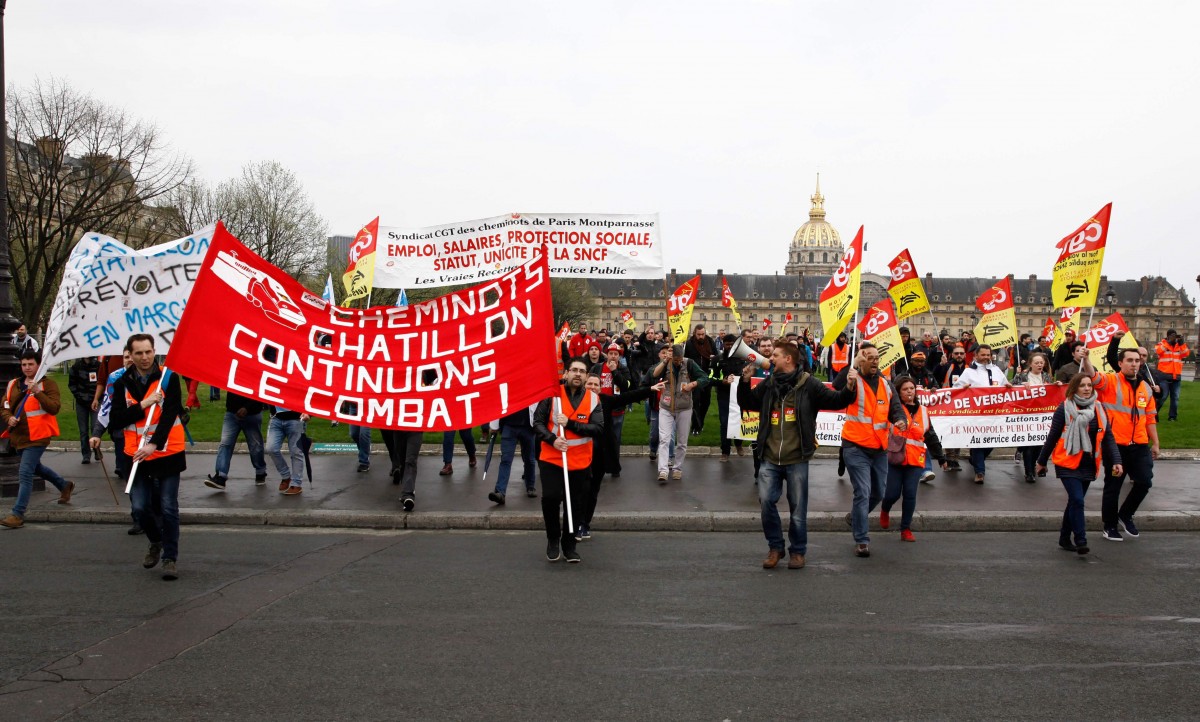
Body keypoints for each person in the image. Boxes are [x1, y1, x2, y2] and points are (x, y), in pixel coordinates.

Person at [738, 340, 857, 569]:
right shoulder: (770, 383)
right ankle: (775, 548)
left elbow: (836, 401)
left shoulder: (809, 384)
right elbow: (748, 402)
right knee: (766, 503)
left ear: (788, 359)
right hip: (769, 457)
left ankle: (798, 551)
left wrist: (850, 387)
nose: (770, 358)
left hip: (797, 458)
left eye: (775, 355)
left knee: (798, 510)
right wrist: (744, 381)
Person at [108, 334, 186, 580]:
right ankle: (156, 541)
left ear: (154, 351)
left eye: (148, 351)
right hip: (136, 456)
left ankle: (170, 558)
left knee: (168, 507)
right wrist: (143, 404)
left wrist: (154, 444)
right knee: (140, 508)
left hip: (167, 452)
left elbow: (170, 414)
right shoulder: (122, 383)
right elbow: (116, 420)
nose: (144, 357)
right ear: (130, 355)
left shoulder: (168, 378)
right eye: (139, 353)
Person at [834, 343, 907, 558]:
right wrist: (853, 365)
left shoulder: (886, 384)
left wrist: (900, 419)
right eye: (870, 357)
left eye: (877, 357)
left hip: (879, 449)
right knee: (863, 493)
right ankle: (862, 540)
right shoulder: (852, 379)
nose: (875, 361)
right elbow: (837, 388)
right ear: (861, 360)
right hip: (855, 447)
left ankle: (855, 518)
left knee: (879, 493)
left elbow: (895, 408)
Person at [1036, 373, 1122, 556]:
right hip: (1067, 462)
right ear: (1074, 388)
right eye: (1082, 385)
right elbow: (1053, 436)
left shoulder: (1099, 408)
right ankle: (1081, 540)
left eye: (1089, 385)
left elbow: (1107, 436)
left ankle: (1064, 537)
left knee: (1074, 502)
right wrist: (1041, 461)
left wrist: (1116, 460)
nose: (1087, 389)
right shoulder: (1065, 408)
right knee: (1077, 500)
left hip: (1088, 464)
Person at [1085, 341, 1159, 542]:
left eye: (1137, 360)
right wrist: (1086, 359)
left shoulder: (1146, 387)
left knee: (1144, 481)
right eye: (1130, 360)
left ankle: (1125, 515)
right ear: (1120, 363)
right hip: (1115, 445)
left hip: (1140, 444)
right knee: (1114, 486)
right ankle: (1109, 526)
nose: (1134, 364)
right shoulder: (1110, 381)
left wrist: (1156, 443)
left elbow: (1150, 417)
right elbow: (1093, 376)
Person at [533, 357, 603, 563]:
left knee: (575, 504)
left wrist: (570, 424)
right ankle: (553, 539)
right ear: (566, 373)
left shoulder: (593, 399)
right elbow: (537, 422)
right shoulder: (551, 395)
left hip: (580, 461)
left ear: (586, 376)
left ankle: (569, 544)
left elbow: (597, 428)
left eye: (582, 371)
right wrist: (552, 439)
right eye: (574, 370)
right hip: (552, 457)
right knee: (551, 498)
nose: (578, 374)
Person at [578, 373, 662, 539]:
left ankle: (585, 524)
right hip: (580, 453)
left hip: (600, 455)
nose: (592, 387)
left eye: (596, 385)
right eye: (589, 384)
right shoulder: (577, 401)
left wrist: (650, 389)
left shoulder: (605, 401)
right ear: (584, 385)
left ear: (600, 388)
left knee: (593, 491)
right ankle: (577, 523)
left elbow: (628, 396)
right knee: (581, 490)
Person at [1, 351, 73, 529]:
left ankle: (17, 514)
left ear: (39, 365)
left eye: (30, 364)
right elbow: (4, 406)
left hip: (38, 436)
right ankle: (64, 485)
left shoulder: (48, 384)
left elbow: (54, 408)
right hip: (19, 437)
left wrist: (38, 392)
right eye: (24, 364)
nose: (27, 368)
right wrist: (9, 418)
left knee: (25, 473)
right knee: (36, 468)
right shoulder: (13, 384)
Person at [879, 375, 947, 543]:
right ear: (898, 392)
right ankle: (885, 510)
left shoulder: (923, 411)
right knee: (892, 494)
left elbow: (930, 436)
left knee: (910, 494)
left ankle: (905, 529)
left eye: (911, 388)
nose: (909, 392)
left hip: (915, 460)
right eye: (905, 389)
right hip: (895, 458)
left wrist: (941, 457)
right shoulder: (893, 410)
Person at [645, 343, 710, 484]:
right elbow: (654, 374)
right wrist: (665, 361)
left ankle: (677, 468)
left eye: (680, 359)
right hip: (666, 406)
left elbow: (705, 378)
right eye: (676, 360)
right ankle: (663, 470)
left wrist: (693, 384)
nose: (678, 362)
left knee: (682, 442)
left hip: (684, 407)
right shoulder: (666, 364)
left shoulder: (689, 363)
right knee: (664, 439)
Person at [953, 344, 1011, 484]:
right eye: (983, 355)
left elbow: (1005, 385)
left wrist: (1009, 386)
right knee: (978, 442)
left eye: (988, 355)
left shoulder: (996, 370)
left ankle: (975, 459)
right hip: (976, 416)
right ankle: (980, 472)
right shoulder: (969, 372)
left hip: (994, 415)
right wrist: (963, 388)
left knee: (990, 442)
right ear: (976, 356)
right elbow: (955, 389)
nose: (986, 357)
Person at [204, 390, 267, 490]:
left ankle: (260, 471)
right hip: (232, 411)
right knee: (225, 443)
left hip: (252, 413)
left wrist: (247, 407)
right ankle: (221, 476)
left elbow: (259, 389)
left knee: (255, 446)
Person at [1012, 352, 1053, 482]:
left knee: (1039, 445)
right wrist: (1021, 385)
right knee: (1028, 444)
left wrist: (1056, 386)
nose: (1039, 365)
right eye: (1036, 363)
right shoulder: (1023, 375)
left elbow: (1051, 393)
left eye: (1041, 363)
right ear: (1030, 364)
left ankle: (1035, 466)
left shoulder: (1046, 376)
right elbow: (1011, 388)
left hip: (1041, 415)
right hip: (1026, 415)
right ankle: (1029, 472)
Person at [591, 343, 631, 476]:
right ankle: (597, 466)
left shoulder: (623, 369)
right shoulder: (597, 367)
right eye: (611, 353)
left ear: (619, 356)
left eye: (616, 354)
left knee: (615, 440)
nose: (613, 356)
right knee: (597, 440)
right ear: (606, 354)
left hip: (616, 410)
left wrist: (614, 371)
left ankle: (614, 467)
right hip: (598, 409)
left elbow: (625, 386)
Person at [488, 404, 539, 505]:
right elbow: (499, 400)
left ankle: (530, 486)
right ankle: (500, 492)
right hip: (508, 425)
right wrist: (494, 425)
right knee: (505, 460)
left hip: (528, 427)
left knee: (529, 459)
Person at [714, 333, 746, 460]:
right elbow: (711, 377)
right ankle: (725, 451)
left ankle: (738, 444)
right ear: (723, 345)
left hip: (740, 394)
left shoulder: (743, 359)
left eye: (732, 344)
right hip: (724, 395)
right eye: (727, 344)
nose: (730, 347)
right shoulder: (717, 359)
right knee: (724, 423)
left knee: (740, 420)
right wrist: (723, 381)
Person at [266, 406, 309, 496]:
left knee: (296, 452)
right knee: (271, 449)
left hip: (296, 419)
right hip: (276, 418)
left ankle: (296, 484)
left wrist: (308, 413)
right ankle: (286, 475)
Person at [684, 325, 718, 435]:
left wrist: (713, 358)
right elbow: (685, 359)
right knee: (695, 402)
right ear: (695, 333)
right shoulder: (689, 344)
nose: (701, 336)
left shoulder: (710, 342)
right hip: (694, 377)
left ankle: (701, 422)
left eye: (703, 334)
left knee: (706, 402)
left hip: (707, 377)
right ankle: (695, 426)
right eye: (698, 334)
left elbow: (717, 356)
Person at [68, 356, 101, 464]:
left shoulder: (98, 366)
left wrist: (97, 398)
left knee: (95, 428)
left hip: (95, 401)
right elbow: (72, 384)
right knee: (83, 430)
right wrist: (79, 396)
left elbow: (102, 382)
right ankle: (86, 454)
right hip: (81, 403)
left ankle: (97, 450)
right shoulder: (76, 367)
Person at [382, 429, 423, 511]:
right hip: (399, 430)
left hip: (415, 429)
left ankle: (408, 494)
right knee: (403, 461)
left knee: (410, 461)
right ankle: (406, 490)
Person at [1154, 329, 1189, 421]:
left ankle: (1172, 416)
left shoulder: (1179, 345)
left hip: (1176, 375)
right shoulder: (1162, 343)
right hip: (1164, 375)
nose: (1174, 338)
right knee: (1163, 396)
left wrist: (1182, 344)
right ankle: (1153, 413)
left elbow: (1186, 354)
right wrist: (1168, 343)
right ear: (1168, 336)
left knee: (1175, 398)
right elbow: (1158, 351)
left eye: (1175, 336)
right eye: (1172, 336)